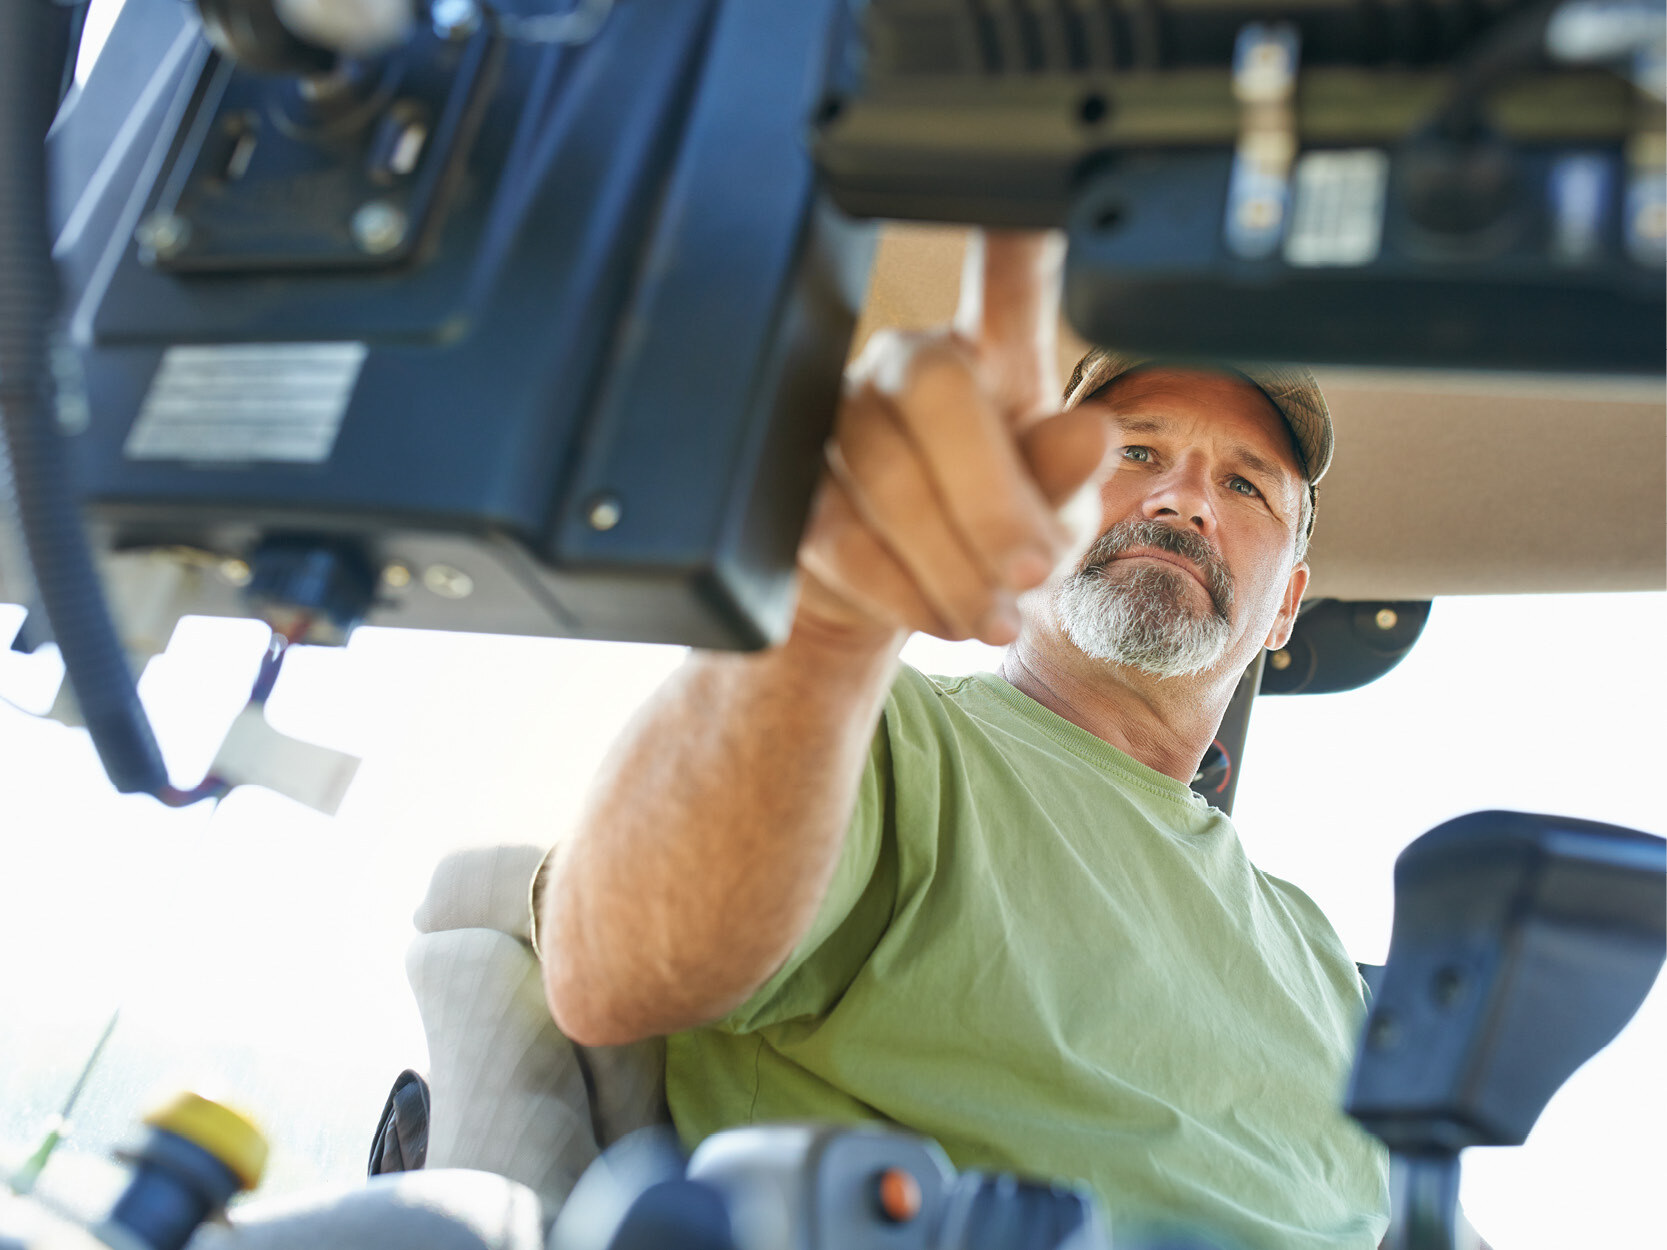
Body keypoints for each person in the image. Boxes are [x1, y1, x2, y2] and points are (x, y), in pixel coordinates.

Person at [533, 232, 1391, 1250]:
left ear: (1287, 604)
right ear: (1038, 500)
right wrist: (826, 610)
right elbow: (610, 967)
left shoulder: (1323, 967)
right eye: (1135, 452)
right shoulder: (876, 733)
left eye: (1245, 485)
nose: (1182, 500)